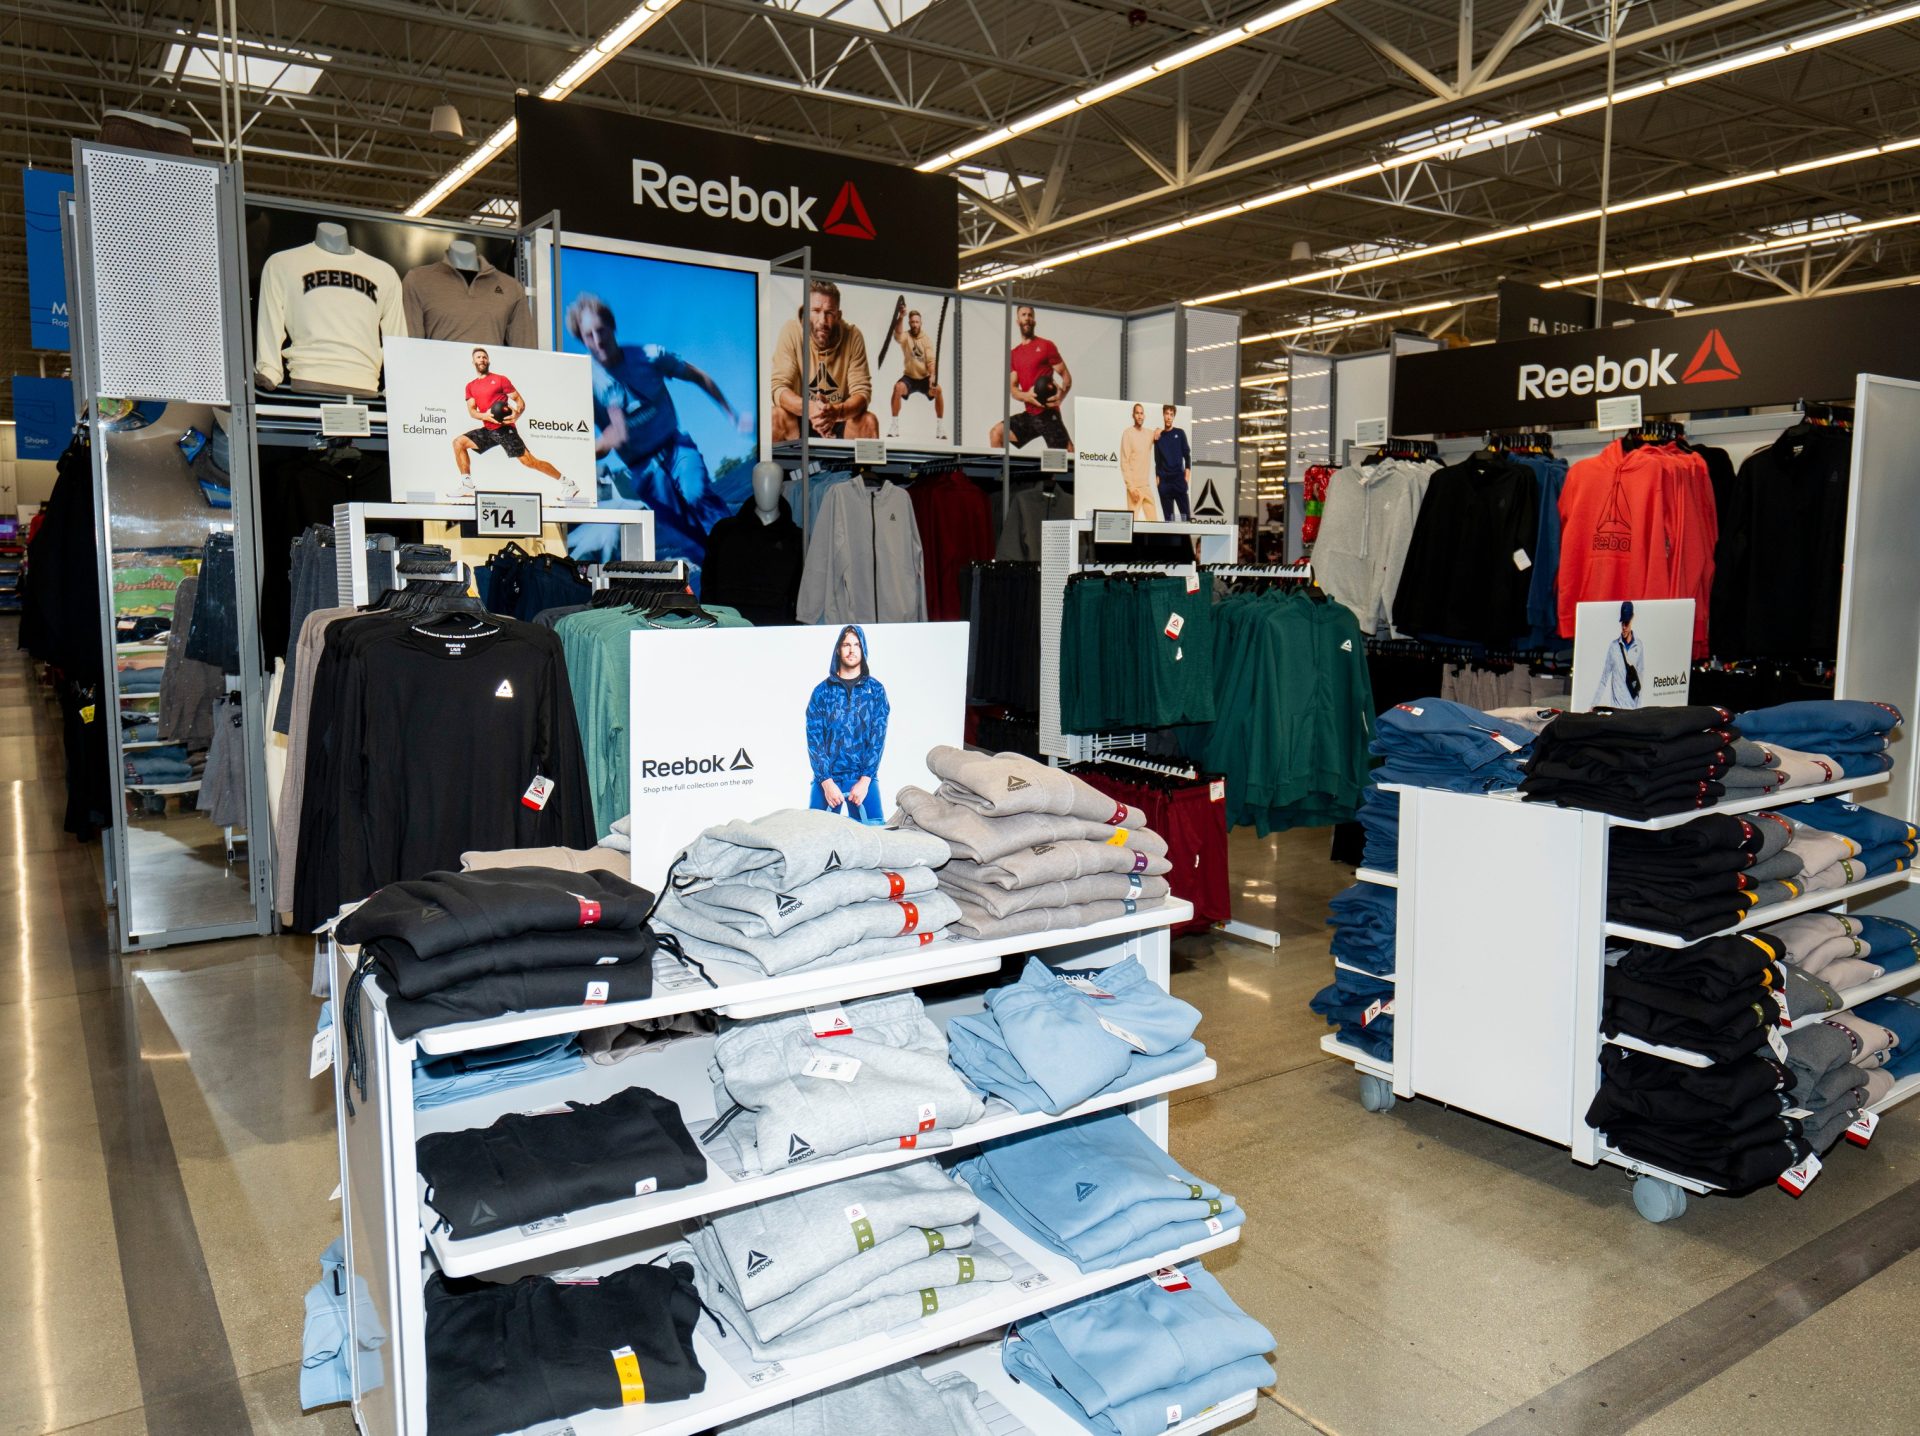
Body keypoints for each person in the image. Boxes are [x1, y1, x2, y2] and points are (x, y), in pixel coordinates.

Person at [565, 292, 750, 567]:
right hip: (643, 471)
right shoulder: (588, 385)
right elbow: (590, 448)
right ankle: (717, 579)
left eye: (601, 330)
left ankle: (743, 559)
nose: (598, 340)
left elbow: (699, 376)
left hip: (675, 448)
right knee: (688, 536)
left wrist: (732, 415)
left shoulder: (650, 356)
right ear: (582, 340)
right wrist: (605, 442)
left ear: (612, 327)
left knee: (696, 494)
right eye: (589, 335)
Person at [452, 348, 575, 497]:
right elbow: (472, 411)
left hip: (505, 429)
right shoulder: (470, 386)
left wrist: (516, 415)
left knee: (530, 462)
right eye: (478, 357)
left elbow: (520, 402)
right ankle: (467, 486)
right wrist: (485, 416)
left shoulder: (500, 379)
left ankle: (568, 483)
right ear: (473, 362)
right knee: (459, 443)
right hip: (489, 429)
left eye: (484, 357)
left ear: (488, 361)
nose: (482, 359)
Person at [772, 280, 879, 441]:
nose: (822, 320)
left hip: (837, 417)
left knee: (868, 422)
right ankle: (776, 467)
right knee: (775, 417)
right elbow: (779, 388)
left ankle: (866, 468)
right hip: (800, 416)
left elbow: (862, 393)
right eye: (816, 310)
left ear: (838, 316)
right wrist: (811, 408)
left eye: (829, 312)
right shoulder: (791, 331)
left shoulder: (853, 336)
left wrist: (836, 412)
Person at [805, 624, 889, 821]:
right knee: (813, 834)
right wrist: (826, 782)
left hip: (863, 778)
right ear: (838, 649)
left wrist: (865, 781)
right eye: (846, 645)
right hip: (826, 777)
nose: (851, 650)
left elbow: (878, 738)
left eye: (856, 645)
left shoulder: (875, 690)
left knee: (875, 837)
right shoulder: (821, 691)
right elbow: (814, 739)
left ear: (863, 649)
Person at [988, 304, 1072, 451]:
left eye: (1030, 315)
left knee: (1061, 460)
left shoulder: (1046, 346)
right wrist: (1026, 396)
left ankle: (1072, 472)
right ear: (1018, 320)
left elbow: (1066, 378)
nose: (1027, 318)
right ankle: (1002, 473)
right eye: (1023, 315)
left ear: (1034, 321)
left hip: (1048, 414)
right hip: (1030, 415)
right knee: (996, 434)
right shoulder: (1014, 354)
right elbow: (1013, 389)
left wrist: (1061, 396)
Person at [886, 303, 946, 441]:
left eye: (917, 322)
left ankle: (940, 427)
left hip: (925, 378)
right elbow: (898, 335)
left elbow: (931, 361)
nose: (914, 324)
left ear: (921, 323)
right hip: (910, 378)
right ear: (909, 323)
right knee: (897, 388)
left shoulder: (926, 340)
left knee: (938, 390)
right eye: (912, 322)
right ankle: (894, 425)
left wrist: (932, 376)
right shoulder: (906, 336)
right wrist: (901, 316)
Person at [1594, 599, 1645, 708]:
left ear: (1632, 618)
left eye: (1626, 623)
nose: (1623, 627)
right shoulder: (1614, 647)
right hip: (1617, 710)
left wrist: (1638, 709)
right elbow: (1604, 679)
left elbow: (1640, 678)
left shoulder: (1639, 646)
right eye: (1622, 622)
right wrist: (1593, 705)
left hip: (1632, 710)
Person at [1118, 403, 1160, 520]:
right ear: (1133, 415)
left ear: (1144, 416)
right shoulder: (1128, 434)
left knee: (1153, 522)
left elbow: (1159, 434)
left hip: (1146, 486)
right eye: (1137, 413)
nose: (1140, 416)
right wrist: (1131, 488)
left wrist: (1159, 430)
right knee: (1133, 524)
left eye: (1141, 413)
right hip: (1134, 488)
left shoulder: (1148, 434)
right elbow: (1124, 462)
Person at [1153, 404, 1192, 521]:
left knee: (1186, 520)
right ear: (1163, 415)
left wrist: (1186, 478)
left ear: (1174, 417)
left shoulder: (1180, 433)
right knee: (1169, 521)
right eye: (1167, 414)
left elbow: (1187, 456)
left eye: (1171, 415)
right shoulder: (1158, 437)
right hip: (1165, 483)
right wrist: (1158, 481)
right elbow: (1157, 460)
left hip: (1179, 481)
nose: (1169, 417)